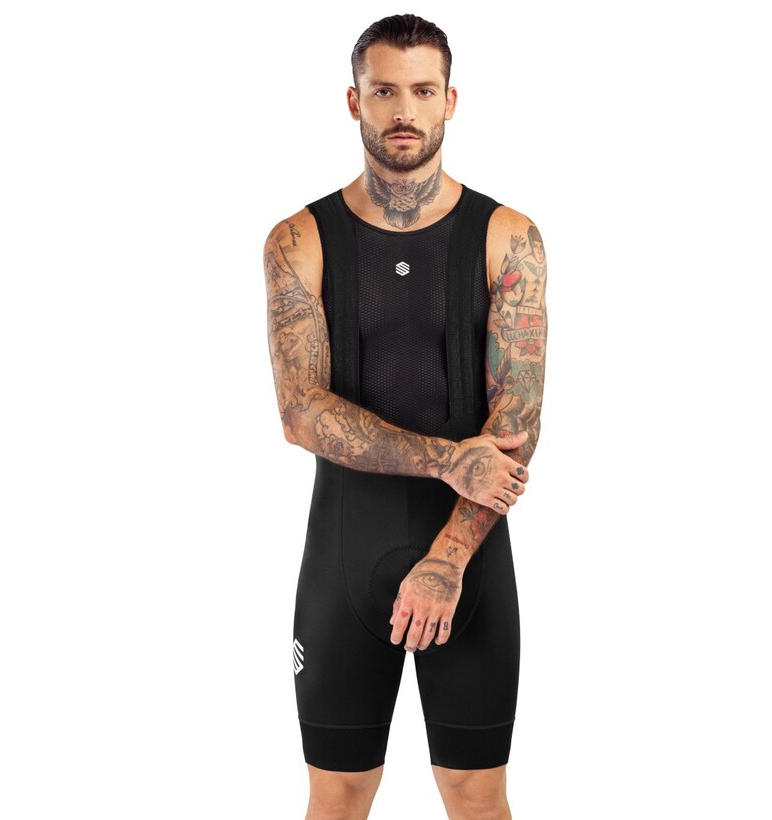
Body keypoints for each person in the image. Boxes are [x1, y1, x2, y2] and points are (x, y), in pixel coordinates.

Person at [263, 13, 547, 819]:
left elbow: (515, 430)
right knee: (338, 796)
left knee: (476, 796)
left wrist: (448, 560)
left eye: (423, 91)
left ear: (450, 101)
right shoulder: (299, 240)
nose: (403, 111)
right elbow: (301, 413)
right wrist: (448, 458)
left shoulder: (509, 239)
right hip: (342, 555)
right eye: (384, 91)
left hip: (472, 557)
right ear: (353, 101)